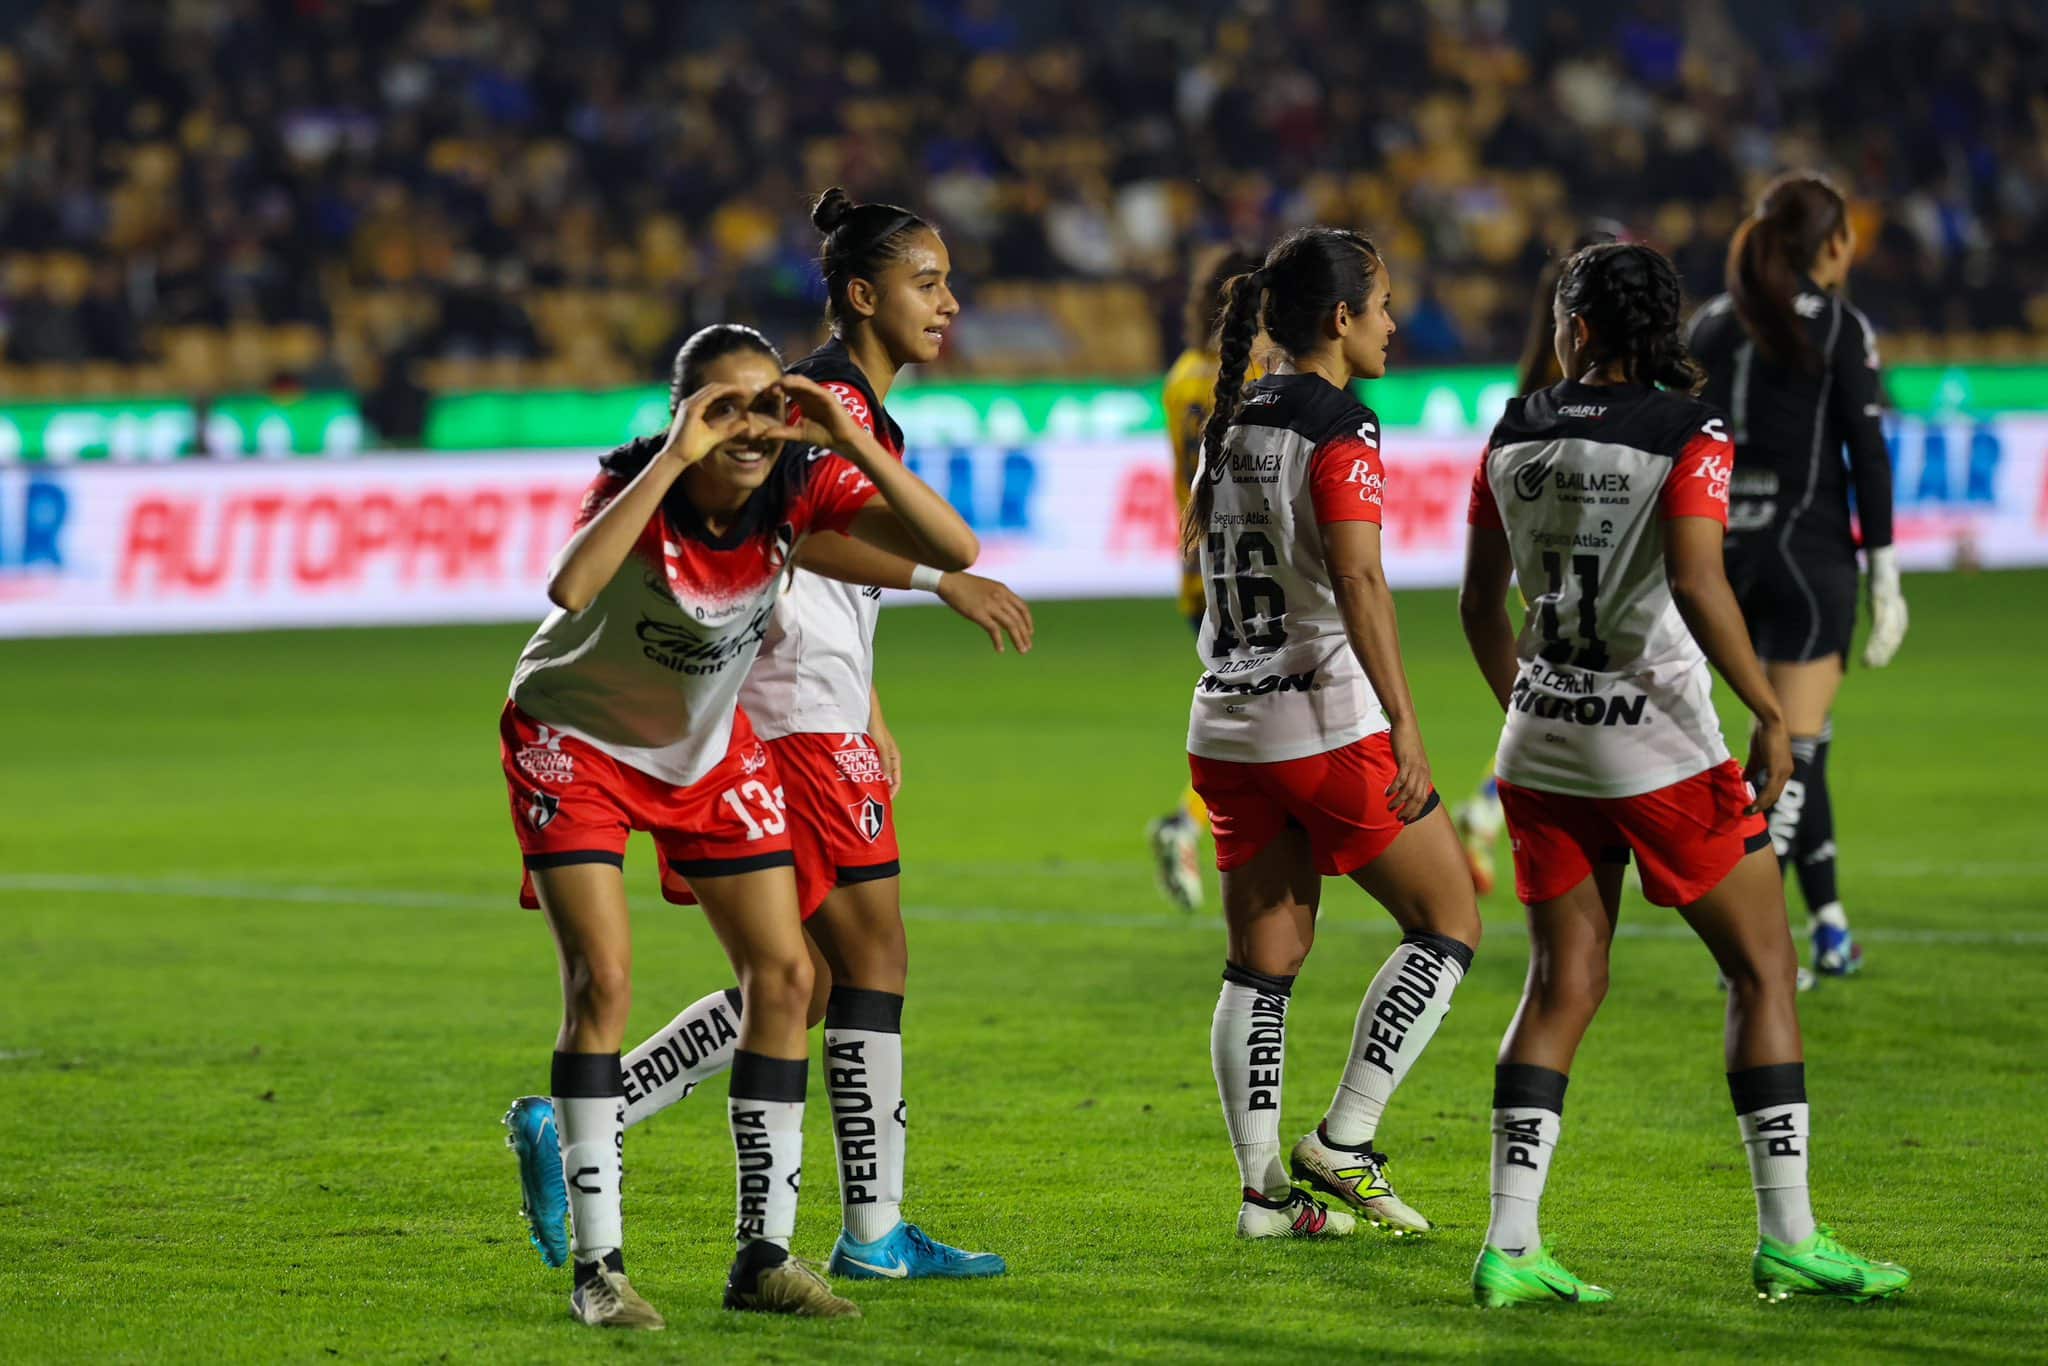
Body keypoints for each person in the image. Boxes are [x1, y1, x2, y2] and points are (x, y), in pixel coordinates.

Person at [505, 190, 1026, 1287]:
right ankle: (868, 1227)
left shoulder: (836, 411)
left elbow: (804, 552)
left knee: (810, 978)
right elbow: (777, 559)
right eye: (927, 283)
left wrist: (876, 686)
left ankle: (627, 1122)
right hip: (786, 719)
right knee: (855, 961)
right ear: (861, 294)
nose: (948, 303)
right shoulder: (811, 405)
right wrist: (933, 589)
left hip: (812, 708)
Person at [1458, 241, 1908, 1306]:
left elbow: (1479, 608)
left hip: (1539, 749)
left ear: (1573, 327)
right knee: (1761, 967)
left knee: (1560, 983)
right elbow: (1700, 582)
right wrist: (1765, 707)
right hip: (1655, 748)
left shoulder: (1511, 428)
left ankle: (1509, 1245)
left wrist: (1527, 705)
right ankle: (1788, 1233)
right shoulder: (1683, 430)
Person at [1186, 227, 1482, 1239]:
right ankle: (1344, 1139)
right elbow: (1355, 577)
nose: (1394, 323)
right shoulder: (1339, 424)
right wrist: (1403, 721)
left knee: (1262, 960)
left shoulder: (1226, 417)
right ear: (1339, 318)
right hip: (1319, 721)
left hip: (1222, 722)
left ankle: (1262, 1194)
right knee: (1448, 919)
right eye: (1384, 303)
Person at [1685, 173, 1907, 978]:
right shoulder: (1841, 325)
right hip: (1809, 562)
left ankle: (1825, 923)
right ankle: (1755, 944)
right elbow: (1867, 451)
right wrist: (1884, 573)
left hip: (1720, 564)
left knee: (1780, 746)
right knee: (1793, 754)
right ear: (1834, 247)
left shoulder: (1710, 323)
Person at [1453, 222, 1631, 896]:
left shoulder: (1523, 407)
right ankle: (1493, 800)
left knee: (1551, 718)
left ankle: (1493, 798)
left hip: (1543, 596)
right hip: (1603, 602)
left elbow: (1480, 596)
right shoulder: (1617, 413)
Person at [1148, 242, 1262, 911]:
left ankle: (1201, 831)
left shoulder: (1180, 377)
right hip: (1250, 574)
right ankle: (1188, 825)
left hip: (1197, 574)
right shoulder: (1245, 373)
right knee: (1258, 726)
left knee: (1245, 721)